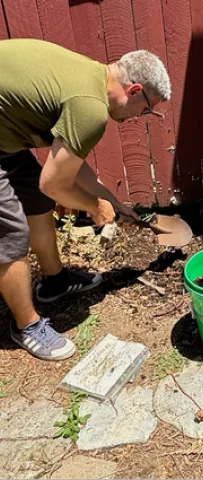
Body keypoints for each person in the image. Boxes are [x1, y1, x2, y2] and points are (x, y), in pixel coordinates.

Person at [0, 39, 171, 361]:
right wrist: (94, 207)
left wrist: (114, 204)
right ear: (134, 90)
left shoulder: (89, 76)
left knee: (36, 201)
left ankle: (55, 282)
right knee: (10, 234)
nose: (141, 116)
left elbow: (77, 173)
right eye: (146, 109)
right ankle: (26, 325)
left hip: (5, 136)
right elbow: (54, 183)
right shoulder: (89, 107)